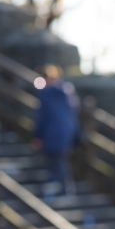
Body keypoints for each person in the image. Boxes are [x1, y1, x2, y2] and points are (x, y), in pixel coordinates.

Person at [32, 65, 79, 197]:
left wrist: (37, 136)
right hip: (67, 133)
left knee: (55, 162)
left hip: (52, 133)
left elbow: (42, 117)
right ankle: (65, 189)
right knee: (60, 160)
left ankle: (64, 190)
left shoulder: (46, 94)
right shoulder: (68, 93)